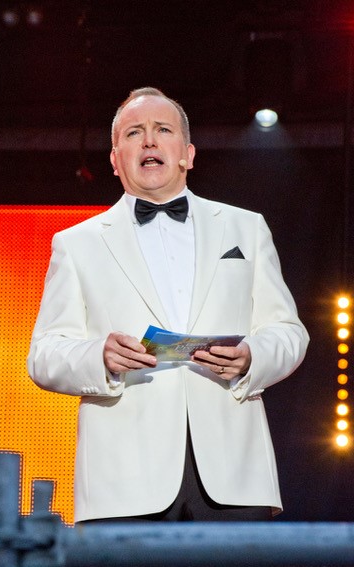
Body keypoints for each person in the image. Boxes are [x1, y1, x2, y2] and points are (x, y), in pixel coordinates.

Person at [27, 87, 309, 523]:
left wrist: (251, 357)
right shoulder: (76, 244)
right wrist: (99, 356)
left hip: (233, 472)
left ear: (188, 154)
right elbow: (44, 355)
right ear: (115, 159)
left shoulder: (246, 228)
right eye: (134, 133)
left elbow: (289, 332)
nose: (150, 141)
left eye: (163, 130)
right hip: (122, 480)